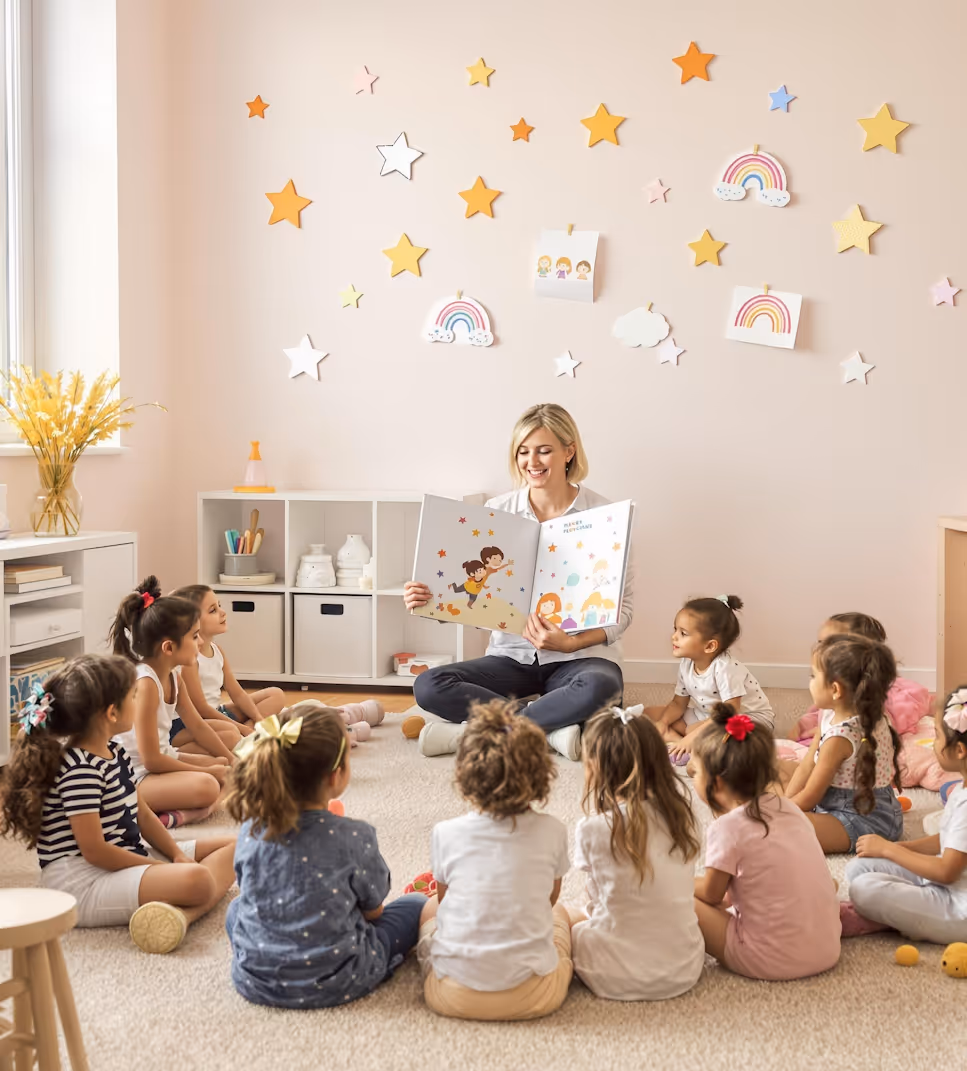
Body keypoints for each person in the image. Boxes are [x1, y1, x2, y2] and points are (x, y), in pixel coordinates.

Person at [405, 403, 634, 761]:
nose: (533, 461)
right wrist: (429, 601)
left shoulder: (605, 516)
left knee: (603, 685)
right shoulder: (497, 512)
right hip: (510, 658)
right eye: (523, 452)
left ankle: (479, 733)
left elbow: (624, 613)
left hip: (579, 659)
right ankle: (551, 730)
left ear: (568, 451)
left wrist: (571, 644)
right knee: (428, 685)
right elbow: (472, 591)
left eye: (544, 450)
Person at [0, 654, 236, 954]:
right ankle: (185, 910)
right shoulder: (79, 769)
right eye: (134, 696)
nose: (139, 703)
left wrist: (176, 854)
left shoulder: (114, 750)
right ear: (112, 713)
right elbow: (95, 851)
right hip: (81, 883)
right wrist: (157, 866)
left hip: (121, 857)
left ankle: (181, 914)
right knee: (198, 879)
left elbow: (142, 813)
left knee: (236, 847)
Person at [223, 702, 428, 1008]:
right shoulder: (354, 835)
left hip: (256, 979)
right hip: (342, 977)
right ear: (335, 777)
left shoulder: (250, 829)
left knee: (237, 908)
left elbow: (253, 890)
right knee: (416, 905)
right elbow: (374, 911)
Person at [415, 701, 572, 1020]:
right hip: (534, 996)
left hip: (451, 994)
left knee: (429, 907)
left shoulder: (445, 832)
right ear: (542, 776)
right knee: (560, 914)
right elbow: (549, 898)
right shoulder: (553, 830)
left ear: (463, 775)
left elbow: (445, 902)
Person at [692, 705, 841, 980]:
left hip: (770, 960)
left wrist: (679, 881)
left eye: (695, 774)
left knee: (682, 898)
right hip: (829, 948)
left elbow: (713, 895)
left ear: (717, 783)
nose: (692, 779)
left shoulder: (727, 828)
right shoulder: (791, 809)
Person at [567, 704, 704, 1001]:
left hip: (612, 975)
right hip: (684, 968)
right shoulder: (684, 815)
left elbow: (596, 898)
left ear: (595, 769)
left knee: (560, 917)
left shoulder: (593, 828)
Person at [841, 687, 967, 942]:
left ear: (960, 751)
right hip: (947, 882)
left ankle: (897, 917)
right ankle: (901, 910)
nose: (934, 744)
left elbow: (946, 871)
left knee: (862, 889)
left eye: (938, 737)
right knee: (859, 868)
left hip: (957, 908)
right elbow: (948, 839)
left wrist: (890, 851)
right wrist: (900, 847)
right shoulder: (962, 787)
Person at [110, 577, 237, 824]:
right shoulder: (146, 684)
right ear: (168, 648)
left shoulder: (173, 677)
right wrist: (207, 771)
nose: (201, 643)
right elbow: (151, 760)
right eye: (195, 636)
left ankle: (191, 810)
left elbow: (199, 725)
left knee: (225, 766)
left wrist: (232, 761)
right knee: (208, 784)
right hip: (134, 777)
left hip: (163, 759)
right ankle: (186, 814)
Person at [783, 633, 903, 853]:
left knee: (781, 829)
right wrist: (784, 804)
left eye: (813, 676)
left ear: (835, 689)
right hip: (841, 805)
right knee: (776, 799)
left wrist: (778, 816)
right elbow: (806, 766)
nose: (809, 682)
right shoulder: (832, 715)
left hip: (865, 820)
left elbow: (811, 795)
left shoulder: (840, 738)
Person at [645, 596, 773, 766]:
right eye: (675, 629)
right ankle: (681, 742)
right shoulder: (687, 663)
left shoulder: (726, 668)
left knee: (699, 732)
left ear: (710, 646)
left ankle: (689, 745)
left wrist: (692, 736)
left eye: (683, 633)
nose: (674, 637)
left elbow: (730, 713)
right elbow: (678, 704)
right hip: (709, 715)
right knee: (650, 714)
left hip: (744, 720)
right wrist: (663, 722)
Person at [793, 612, 930, 740]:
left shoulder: (887, 695)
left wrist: (828, 732)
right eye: (820, 643)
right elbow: (822, 711)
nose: (819, 650)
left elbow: (893, 720)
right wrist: (802, 726)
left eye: (830, 644)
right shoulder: (832, 688)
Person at [172, 584, 285, 730]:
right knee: (230, 733)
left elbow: (237, 694)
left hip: (216, 713)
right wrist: (239, 728)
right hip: (196, 722)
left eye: (219, 606)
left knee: (276, 694)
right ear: (191, 621)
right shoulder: (190, 661)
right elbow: (201, 709)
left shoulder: (217, 650)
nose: (223, 612)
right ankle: (244, 734)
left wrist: (258, 718)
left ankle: (250, 732)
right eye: (213, 610)